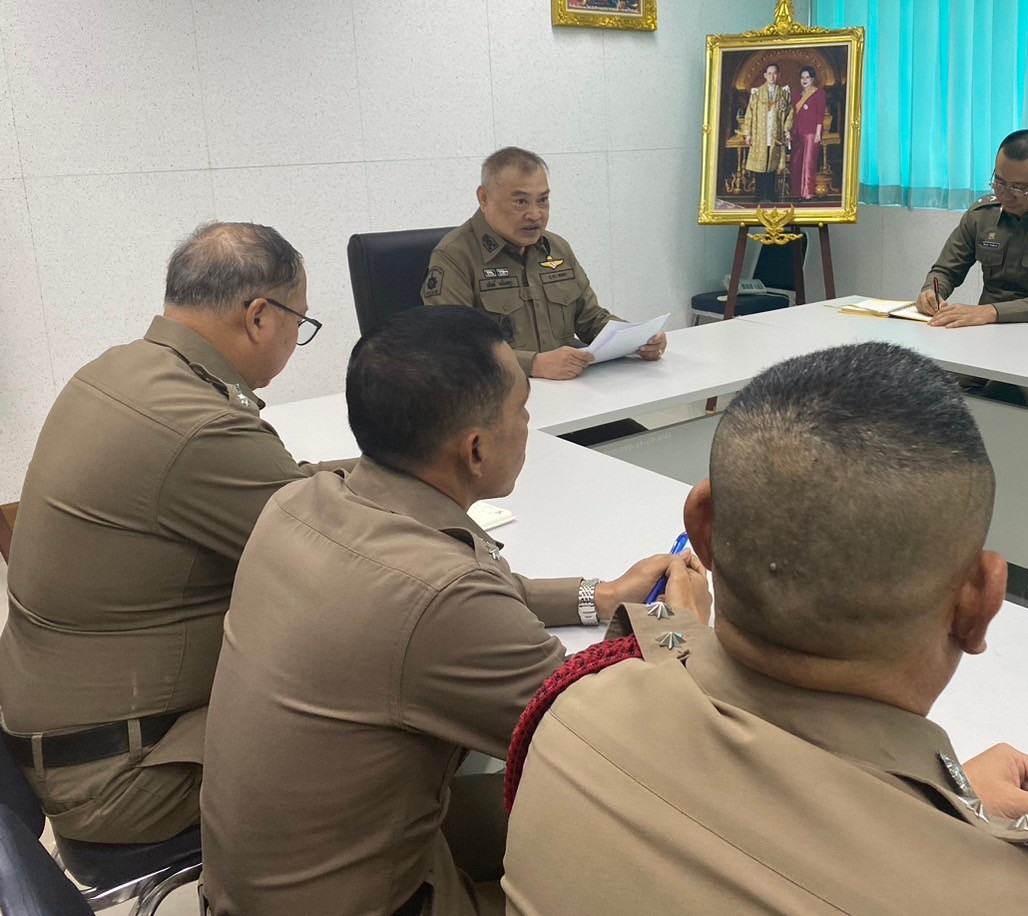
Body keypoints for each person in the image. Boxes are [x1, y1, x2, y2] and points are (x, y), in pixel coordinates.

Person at [500, 342, 1028, 916]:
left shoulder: (571, 715)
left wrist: (944, 807)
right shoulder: (1018, 900)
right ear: (980, 602)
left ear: (705, 530)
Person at [198, 306, 706, 916]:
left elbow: (465, 595)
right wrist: (678, 627)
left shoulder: (301, 502)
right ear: (475, 449)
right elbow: (620, 740)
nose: (527, 422)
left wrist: (599, 596)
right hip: (371, 897)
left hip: (272, 878)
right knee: (649, 849)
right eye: (522, 409)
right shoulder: (442, 595)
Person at [0, 222, 342, 844]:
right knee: (388, 722)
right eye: (301, 322)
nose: (298, 339)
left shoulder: (120, 370)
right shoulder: (199, 426)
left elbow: (285, 489)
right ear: (259, 317)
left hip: (62, 730)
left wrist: (370, 474)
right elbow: (349, 558)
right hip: (122, 776)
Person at [422, 146, 665, 381]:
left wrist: (638, 338)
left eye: (543, 200)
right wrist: (534, 364)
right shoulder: (455, 256)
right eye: (521, 202)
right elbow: (453, 347)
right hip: (500, 395)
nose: (535, 214)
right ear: (484, 198)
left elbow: (590, 319)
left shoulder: (556, 248)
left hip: (572, 388)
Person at [916, 129, 1028, 332]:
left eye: (1019, 188)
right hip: (985, 332)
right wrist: (932, 292)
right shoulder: (982, 214)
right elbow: (945, 271)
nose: (1006, 195)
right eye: (999, 182)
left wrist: (990, 312)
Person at [742, 63, 792, 202]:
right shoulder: (757, 93)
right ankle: (759, 194)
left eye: (774, 73)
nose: (772, 76)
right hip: (760, 134)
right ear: (765, 75)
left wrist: (787, 129)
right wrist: (748, 134)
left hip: (775, 135)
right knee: (760, 164)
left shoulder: (784, 93)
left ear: (778, 75)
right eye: (769, 73)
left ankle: (771, 193)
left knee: (772, 164)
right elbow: (749, 114)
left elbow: (790, 113)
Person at [790, 65, 828, 199]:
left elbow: (820, 115)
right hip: (798, 132)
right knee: (797, 162)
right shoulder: (797, 95)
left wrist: (818, 133)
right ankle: (797, 192)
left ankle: (807, 193)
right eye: (802, 77)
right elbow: (793, 115)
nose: (805, 80)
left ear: (812, 79)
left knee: (808, 162)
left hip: (812, 133)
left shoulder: (819, 93)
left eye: (807, 77)